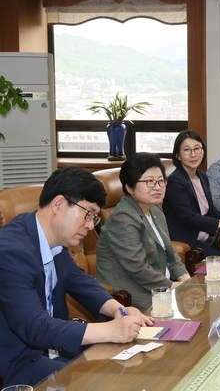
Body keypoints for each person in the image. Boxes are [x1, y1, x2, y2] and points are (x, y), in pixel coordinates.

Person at [0, 166, 151, 387]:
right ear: (58, 204)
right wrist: (109, 330)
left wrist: (117, 310)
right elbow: (35, 327)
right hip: (22, 362)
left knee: (132, 365)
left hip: (54, 348)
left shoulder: (53, 239)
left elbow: (78, 279)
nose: (90, 225)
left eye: (94, 217)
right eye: (88, 213)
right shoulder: (10, 250)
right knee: (107, 381)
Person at [97, 153, 191, 311]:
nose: (157, 187)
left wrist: (185, 278)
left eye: (161, 181)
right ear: (129, 187)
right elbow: (138, 269)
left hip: (161, 288)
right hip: (135, 295)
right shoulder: (123, 218)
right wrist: (173, 287)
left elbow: (169, 252)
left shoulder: (155, 209)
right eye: (149, 181)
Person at [163, 130, 220, 256]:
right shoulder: (175, 181)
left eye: (197, 148)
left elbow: (211, 209)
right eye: (186, 150)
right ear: (178, 155)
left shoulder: (202, 176)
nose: (193, 154)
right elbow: (187, 216)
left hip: (203, 236)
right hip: (187, 239)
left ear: (203, 151)